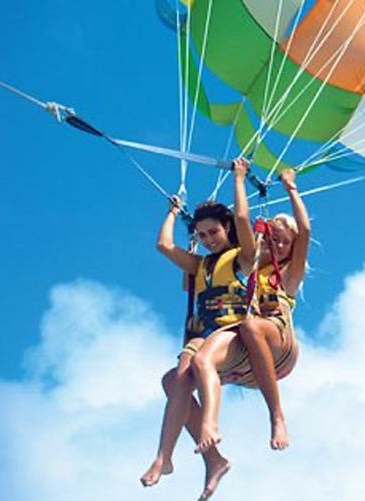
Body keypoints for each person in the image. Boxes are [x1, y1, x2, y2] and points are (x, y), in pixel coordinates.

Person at [141, 157, 309, 500]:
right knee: (174, 381)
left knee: (242, 329)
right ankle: (179, 457)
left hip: (268, 338)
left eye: (282, 242)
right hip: (230, 342)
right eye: (272, 240)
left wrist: (277, 184)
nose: (275, 247)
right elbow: (163, 248)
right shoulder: (217, 264)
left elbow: (264, 225)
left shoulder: (275, 271)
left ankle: (270, 415)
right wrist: (175, 212)